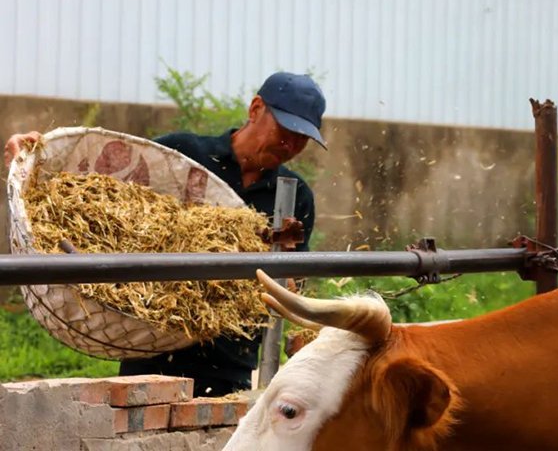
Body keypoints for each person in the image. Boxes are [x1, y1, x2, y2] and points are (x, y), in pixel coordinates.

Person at [3, 71, 327, 396]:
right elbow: (94, 187)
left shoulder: (296, 196)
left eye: (302, 139)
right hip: (148, 346)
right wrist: (33, 153)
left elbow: (291, 284)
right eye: (285, 131)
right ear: (255, 109)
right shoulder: (184, 155)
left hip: (229, 366)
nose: (291, 145)